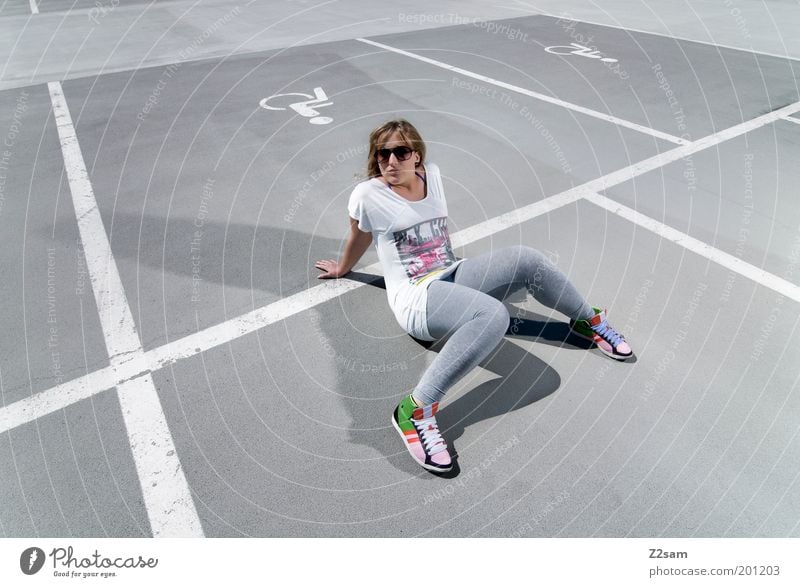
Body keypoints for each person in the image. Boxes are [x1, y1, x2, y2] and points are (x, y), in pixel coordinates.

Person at [315, 119, 632, 474]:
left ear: (416, 156)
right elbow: (360, 235)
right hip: (416, 298)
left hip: (453, 273)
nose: (390, 161)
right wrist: (344, 267)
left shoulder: (431, 176)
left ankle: (587, 320)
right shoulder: (368, 195)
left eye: (400, 152)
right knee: (492, 316)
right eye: (382, 153)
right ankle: (415, 410)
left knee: (526, 258)